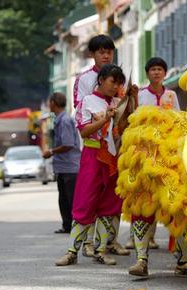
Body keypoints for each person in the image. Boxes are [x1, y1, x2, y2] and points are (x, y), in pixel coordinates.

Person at [126, 57, 187, 279]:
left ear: (165, 72)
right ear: (147, 73)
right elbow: (131, 122)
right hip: (144, 157)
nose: (157, 73)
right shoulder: (139, 95)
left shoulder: (171, 96)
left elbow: (180, 122)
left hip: (171, 159)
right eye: (152, 69)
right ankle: (141, 260)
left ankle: (184, 261)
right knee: (143, 206)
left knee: (181, 205)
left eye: (160, 69)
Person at [56, 64, 130, 266]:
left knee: (109, 205)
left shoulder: (119, 102)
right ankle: (72, 252)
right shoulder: (87, 101)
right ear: (101, 80)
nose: (115, 86)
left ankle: (101, 250)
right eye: (112, 81)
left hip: (114, 157)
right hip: (93, 154)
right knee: (84, 202)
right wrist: (105, 119)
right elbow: (84, 132)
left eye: (118, 83)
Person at [73, 34, 129, 257]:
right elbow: (82, 109)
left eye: (109, 51)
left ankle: (109, 240)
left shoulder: (119, 79)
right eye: (101, 51)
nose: (106, 55)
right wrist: (104, 117)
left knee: (113, 194)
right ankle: (87, 242)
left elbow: (123, 108)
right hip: (95, 144)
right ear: (92, 54)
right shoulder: (84, 80)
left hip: (115, 144)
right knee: (90, 194)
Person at [43, 93, 81, 234]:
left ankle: (75, 226)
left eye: (49, 102)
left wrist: (51, 152)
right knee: (64, 198)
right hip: (63, 166)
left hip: (70, 167)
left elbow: (68, 144)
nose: (48, 105)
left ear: (53, 103)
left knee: (70, 199)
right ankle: (67, 225)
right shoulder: (59, 120)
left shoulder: (64, 120)